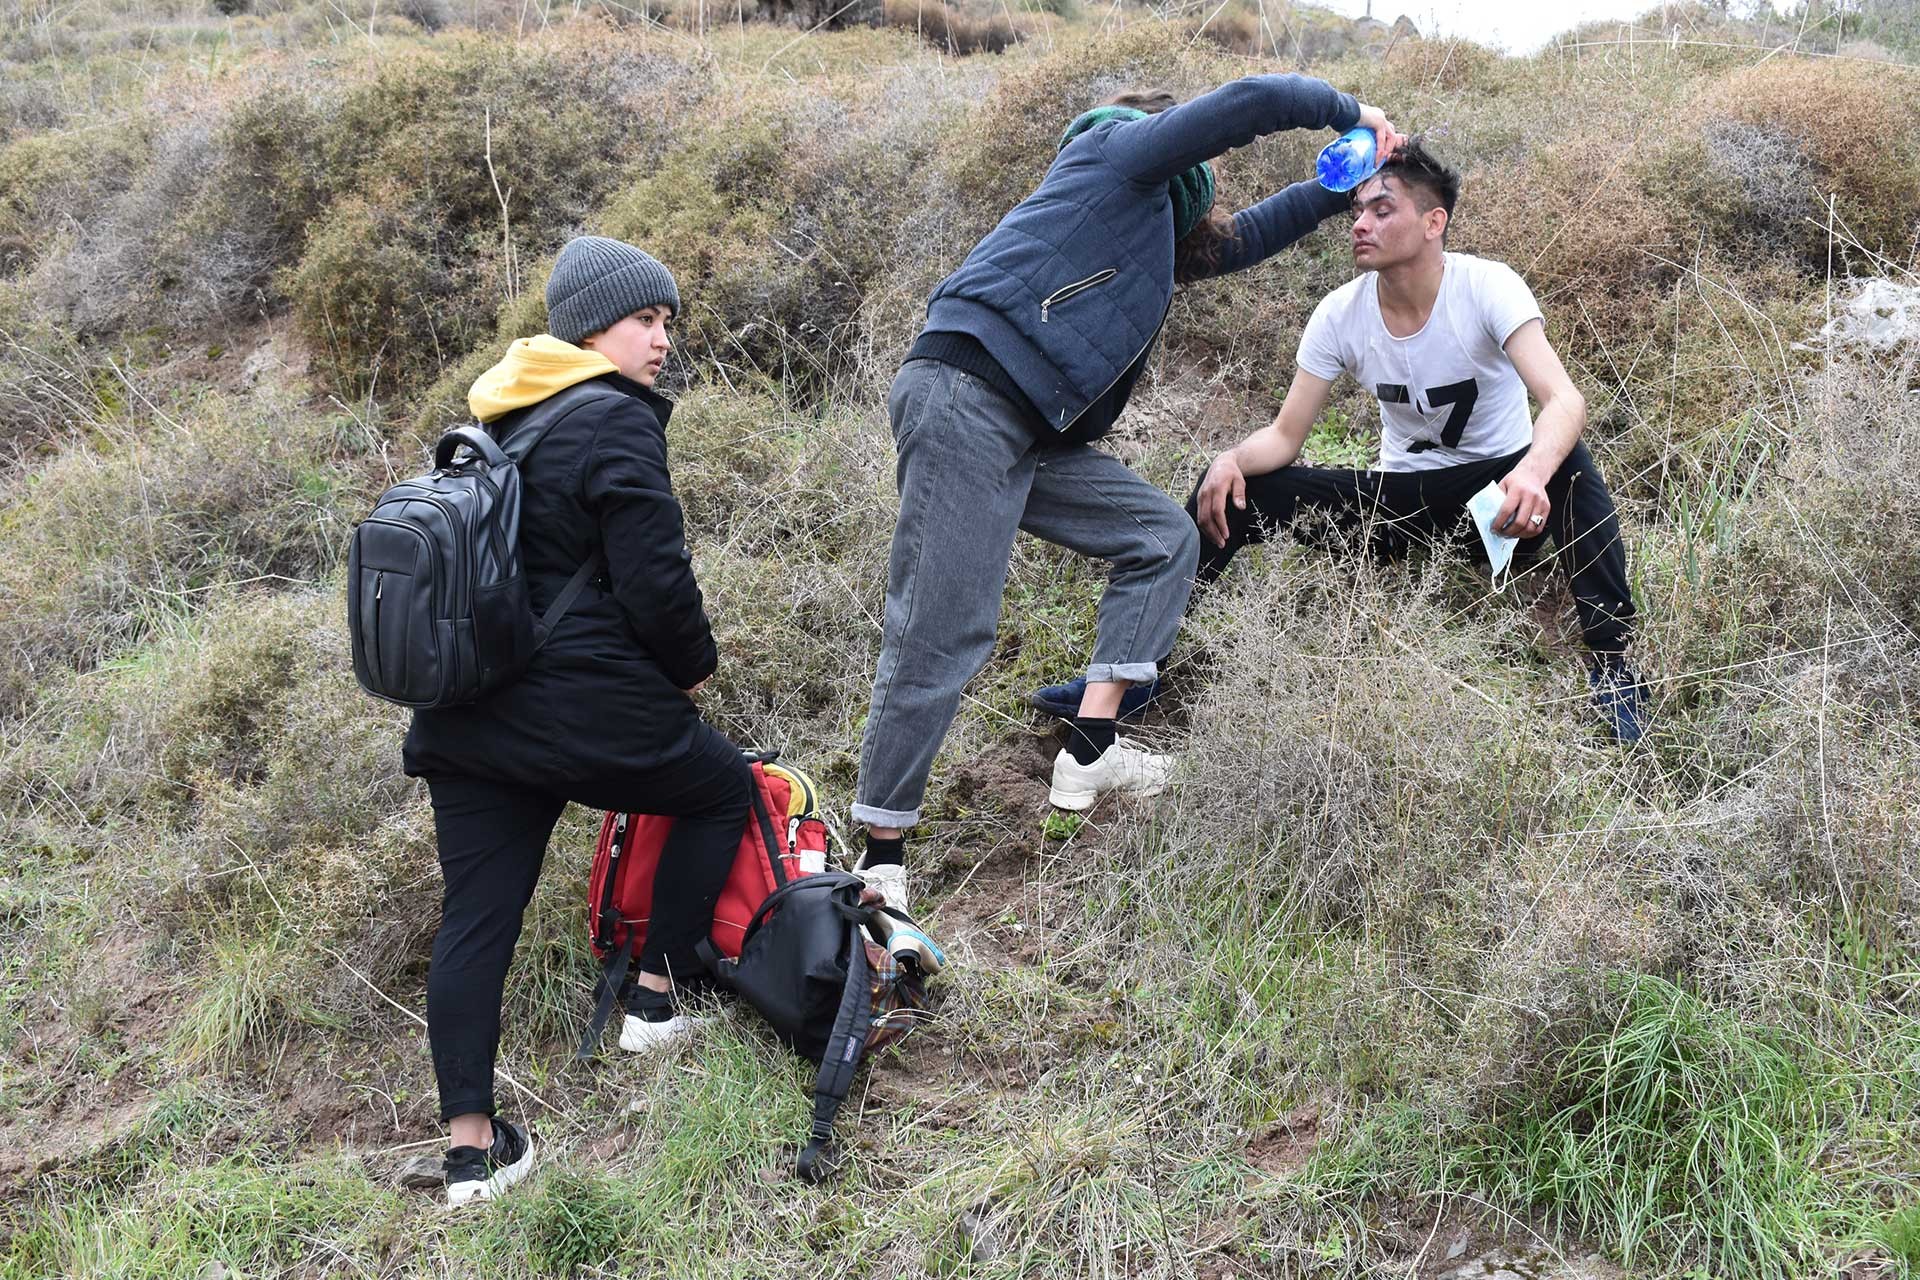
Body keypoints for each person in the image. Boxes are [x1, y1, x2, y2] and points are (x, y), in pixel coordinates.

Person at [851, 77, 1401, 909]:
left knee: (1161, 538)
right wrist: (1348, 111)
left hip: (1030, 428)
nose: (1210, 160)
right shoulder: (1112, 152)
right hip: (968, 400)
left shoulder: (1154, 223)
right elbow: (1249, 100)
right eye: (1199, 145)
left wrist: (1334, 190)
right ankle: (879, 854)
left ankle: (1092, 745)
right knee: (943, 626)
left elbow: (1240, 240)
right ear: (1162, 128)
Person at [401, 236, 753, 1207]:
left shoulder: (499, 415)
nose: (662, 340)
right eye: (647, 319)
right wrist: (691, 672)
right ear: (595, 324)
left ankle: (473, 1154)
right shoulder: (612, 416)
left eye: (668, 322)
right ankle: (655, 995)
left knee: (476, 917)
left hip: (466, 714)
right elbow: (654, 576)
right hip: (574, 704)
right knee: (721, 787)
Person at [1183, 138, 1649, 741]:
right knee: (1230, 484)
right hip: (1399, 508)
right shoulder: (1339, 313)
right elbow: (1284, 436)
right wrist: (1229, 459)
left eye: (1382, 209)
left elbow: (1565, 400)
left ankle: (1615, 672)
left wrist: (1531, 474)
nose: (1361, 223)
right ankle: (1141, 664)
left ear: (1434, 223)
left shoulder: (1486, 287)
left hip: (1500, 506)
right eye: (1357, 211)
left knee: (1571, 467)